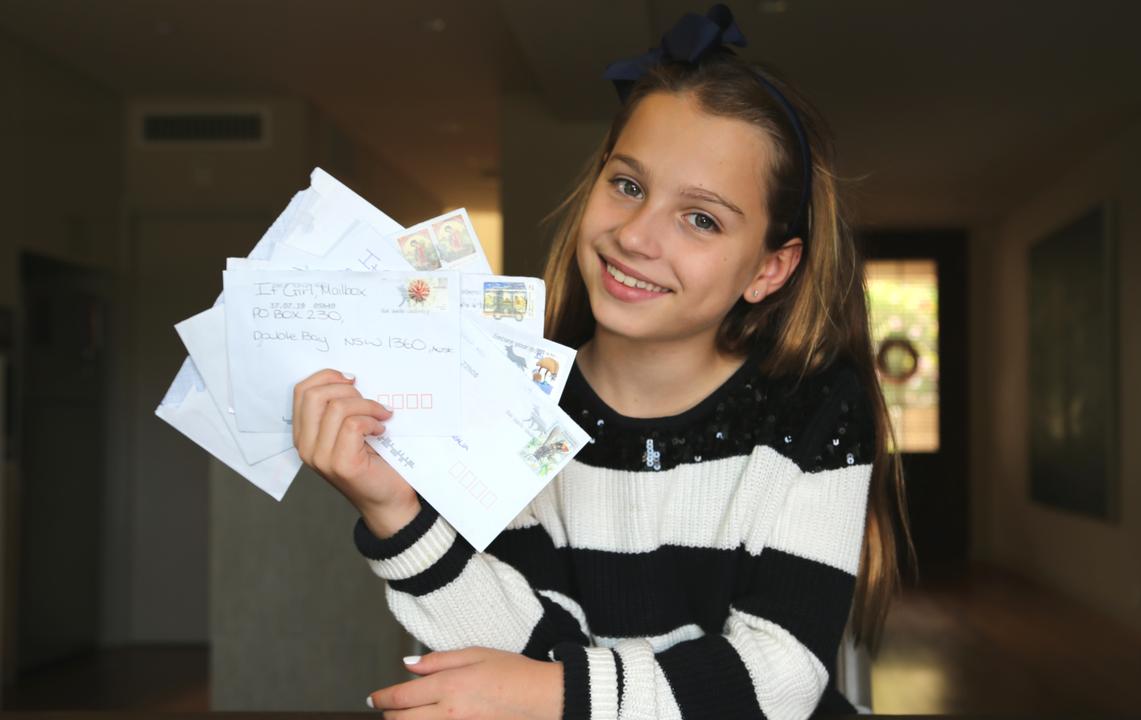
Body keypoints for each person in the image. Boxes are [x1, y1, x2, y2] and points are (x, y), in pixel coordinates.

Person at [291, 6, 910, 718]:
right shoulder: (517, 397)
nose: (637, 235)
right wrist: (392, 507)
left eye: (700, 218)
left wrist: (553, 693)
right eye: (628, 185)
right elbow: (524, 650)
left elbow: (779, 678)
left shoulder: (816, 408)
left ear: (770, 269)